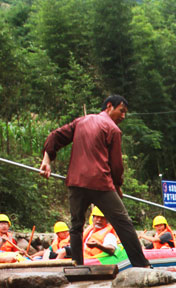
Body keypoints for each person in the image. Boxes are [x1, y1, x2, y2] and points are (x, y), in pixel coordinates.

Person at [40, 95, 149, 268]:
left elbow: (56, 136)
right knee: (123, 223)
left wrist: (46, 160)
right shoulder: (113, 129)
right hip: (100, 183)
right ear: (109, 106)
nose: (123, 116)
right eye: (121, 111)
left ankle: (78, 267)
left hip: (75, 182)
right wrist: (118, 185)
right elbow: (116, 165)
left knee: (76, 227)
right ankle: (141, 264)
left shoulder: (81, 121)